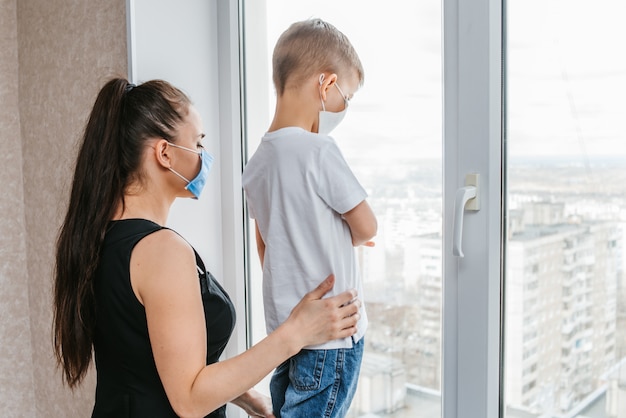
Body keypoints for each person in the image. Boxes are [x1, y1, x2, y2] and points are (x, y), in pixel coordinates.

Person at [53, 78, 362, 418]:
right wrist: (297, 332)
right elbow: (189, 399)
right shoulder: (161, 251)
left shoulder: (101, 237)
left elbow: (151, 359)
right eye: (198, 144)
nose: (204, 156)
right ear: (165, 153)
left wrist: (243, 396)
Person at [242, 19, 377, 418]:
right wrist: (346, 234)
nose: (342, 108)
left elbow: (267, 244)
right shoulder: (319, 151)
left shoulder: (258, 164)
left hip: (287, 334)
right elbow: (367, 226)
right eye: (345, 97)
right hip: (333, 338)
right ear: (326, 84)